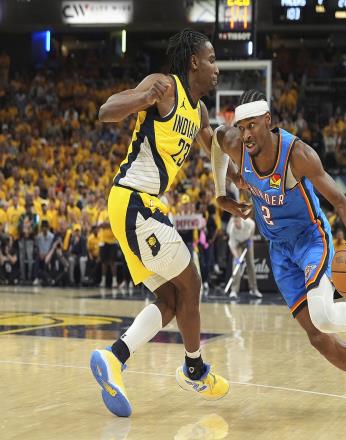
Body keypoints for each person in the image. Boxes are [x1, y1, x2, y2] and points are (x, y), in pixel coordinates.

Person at [211, 90, 346, 419]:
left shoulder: (298, 155)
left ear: (268, 121)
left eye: (252, 126)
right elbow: (214, 137)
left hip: (310, 240)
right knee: (319, 337)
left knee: (324, 316)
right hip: (278, 250)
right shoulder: (235, 143)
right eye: (242, 127)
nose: (246, 134)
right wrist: (221, 192)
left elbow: (341, 202)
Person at [89, 29, 242, 418]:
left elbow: (214, 150)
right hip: (134, 200)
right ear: (194, 62)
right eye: (211, 60)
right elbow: (106, 110)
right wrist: (143, 99)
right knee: (192, 282)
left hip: (137, 206)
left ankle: (114, 358)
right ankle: (194, 370)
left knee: (171, 300)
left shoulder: (199, 111)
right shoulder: (165, 86)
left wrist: (229, 185)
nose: (216, 68)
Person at [226, 215, 262, 299]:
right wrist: (237, 258)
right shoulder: (231, 229)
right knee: (236, 265)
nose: (236, 223)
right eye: (235, 221)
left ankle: (254, 289)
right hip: (237, 243)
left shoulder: (247, 222)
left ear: (240, 219)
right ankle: (234, 291)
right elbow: (232, 246)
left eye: (237, 221)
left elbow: (253, 225)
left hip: (247, 241)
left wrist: (250, 238)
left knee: (251, 264)